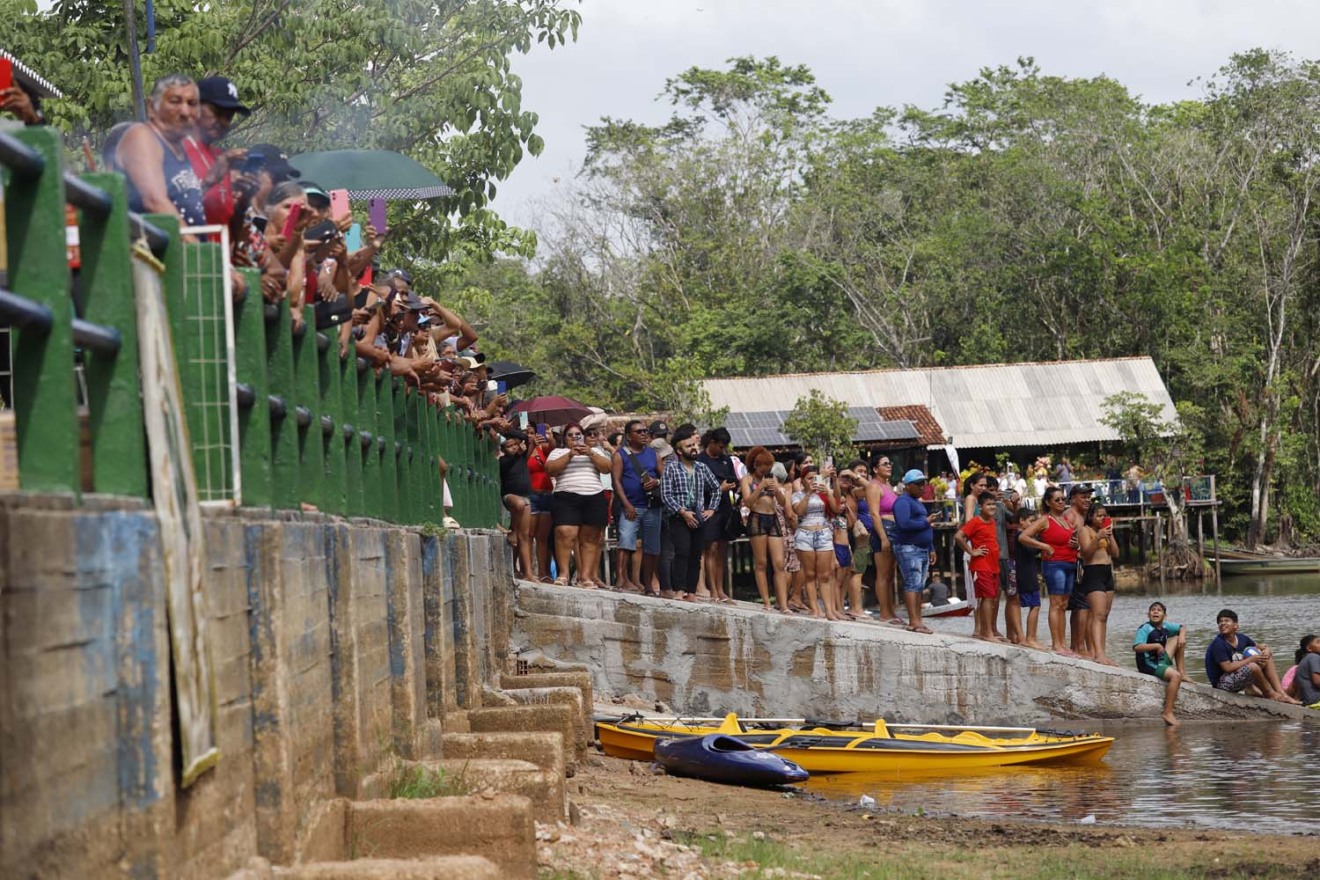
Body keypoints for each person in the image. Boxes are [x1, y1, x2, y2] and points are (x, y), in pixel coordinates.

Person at [117, 73, 206, 227]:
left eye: (192, 103)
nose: (185, 112)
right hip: (151, 249)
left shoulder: (184, 147)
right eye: (175, 101)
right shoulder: (142, 136)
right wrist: (196, 247)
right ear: (151, 107)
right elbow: (155, 201)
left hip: (188, 248)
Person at [544, 423, 611, 588]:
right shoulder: (558, 452)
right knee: (565, 532)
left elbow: (607, 468)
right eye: (570, 435)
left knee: (590, 538)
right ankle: (563, 574)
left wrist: (590, 453)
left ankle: (585, 576)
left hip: (593, 495)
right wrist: (569, 455)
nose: (575, 438)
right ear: (565, 438)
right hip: (567, 495)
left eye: (578, 435)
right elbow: (550, 470)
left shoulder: (595, 451)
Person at [660, 424, 720, 602]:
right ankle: (679, 590)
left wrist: (712, 509)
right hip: (679, 516)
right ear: (679, 451)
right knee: (682, 552)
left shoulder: (701, 468)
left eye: (695, 446)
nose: (694, 449)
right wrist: (683, 512)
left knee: (695, 555)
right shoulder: (671, 468)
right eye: (689, 446)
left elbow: (716, 488)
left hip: (699, 515)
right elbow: (666, 494)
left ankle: (692, 591)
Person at [1018, 486, 1079, 657]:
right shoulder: (1045, 519)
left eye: (1063, 499)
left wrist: (1076, 545)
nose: (1061, 502)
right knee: (1056, 603)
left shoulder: (1066, 520)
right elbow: (1024, 536)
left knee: (1064, 605)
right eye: (1057, 500)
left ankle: (1063, 643)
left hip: (1070, 563)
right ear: (1048, 502)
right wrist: (1044, 546)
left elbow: (1069, 540)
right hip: (1054, 564)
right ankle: (1056, 644)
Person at [611, 420, 664, 595]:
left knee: (652, 547)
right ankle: (621, 580)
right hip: (632, 505)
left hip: (652, 507)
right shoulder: (620, 455)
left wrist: (656, 481)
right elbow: (616, 482)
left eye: (646, 431)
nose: (644, 434)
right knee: (626, 542)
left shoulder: (653, 454)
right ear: (628, 436)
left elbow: (665, 476)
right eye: (639, 431)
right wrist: (626, 504)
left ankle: (648, 584)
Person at [1204, 609, 1300, 704]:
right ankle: (1270, 694)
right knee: (1252, 666)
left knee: (1265, 657)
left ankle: (1282, 694)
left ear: (1236, 626)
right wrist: (1250, 659)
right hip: (1222, 684)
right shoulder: (1218, 644)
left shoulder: (1241, 638)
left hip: (1237, 677)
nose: (1222, 624)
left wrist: (1266, 650)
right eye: (1220, 622)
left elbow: (1259, 647)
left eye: (1226, 621)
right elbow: (1228, 668)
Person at [739, 446, 789, 612]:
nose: (765, 469)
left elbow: (782, 503)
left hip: (773, 517)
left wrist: (777, 491)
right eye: (762, 465)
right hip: (757, 518)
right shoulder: (747, 479)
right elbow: (748, 502)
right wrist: (760, 487)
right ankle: (766, 602)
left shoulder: (772, 478)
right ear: (755, 464)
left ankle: (783, 604)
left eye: (768, 465)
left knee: (779, 563)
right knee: (761, 562)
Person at [892, 469, 939, 634]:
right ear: (908, 485)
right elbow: (903, 524)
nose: (922, 487)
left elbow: (924, 526)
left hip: (922, 548)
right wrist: (925, 522)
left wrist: (931, 547)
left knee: (919, 585)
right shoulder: (902, 501)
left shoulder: (917, 502)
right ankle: (913, 621)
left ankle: (918, 620)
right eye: (919, 484)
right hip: (908, 547)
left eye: (924, 483)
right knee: (912, 582)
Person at [792, 463, 841, 620]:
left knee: (825, 575)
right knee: (810, 574)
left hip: (823, 533)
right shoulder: (797, 495)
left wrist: (829, 491)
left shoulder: (823, 493)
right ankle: (815, 609)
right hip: (805, 534)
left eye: (815, 478)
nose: (812, 481)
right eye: (809, 478)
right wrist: (808, 494)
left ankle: (829, 610)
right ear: (803, 480)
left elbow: (836, 508)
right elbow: (799, 511)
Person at [955, 492, 1004, 643]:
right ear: (980, 506)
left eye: (993, 504)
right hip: (981, 566)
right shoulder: (975, 521)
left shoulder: (992, 521)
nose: (991, 507)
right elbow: (958, 536)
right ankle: (987, 633)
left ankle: (986, 630)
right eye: (988, 504)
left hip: (993, 566)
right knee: (987, 598)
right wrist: (971, 551)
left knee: (991, 599)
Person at [698, 427, 738, 604]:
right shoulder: (700, 460)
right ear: (712, 442)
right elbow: (698, 486)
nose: (722, 450)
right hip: (708, 508)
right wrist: (717, 489)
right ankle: (712, 588)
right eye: (720, 446)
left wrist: (731, 485)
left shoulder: (726, 460)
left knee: (722, 550)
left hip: (725, 508)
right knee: (711, 549)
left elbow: (733, 478)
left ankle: (721, 589)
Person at [1076, 502, 1118, 666]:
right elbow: (1085, 553)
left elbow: (1115, 553)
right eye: (1099, 515)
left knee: (1105, 615)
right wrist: (1098, 537)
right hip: (1093, 572)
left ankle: (1102, 652)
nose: (1102, 518)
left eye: (1104, 515)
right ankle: (1096, 653)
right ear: (1091, 516)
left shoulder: (1106, 532)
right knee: (1097, 614)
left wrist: (1110, 535)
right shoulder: (1085, 531)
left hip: (1107, 572)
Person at [1133, 602, 1188, 726]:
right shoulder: (1145, 628)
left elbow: (1182, 627)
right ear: (1148, 614)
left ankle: (1182, 672)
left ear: (1165, 615)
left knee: (1177, 639)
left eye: (1159, 610)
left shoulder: (1165, 626)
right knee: (1175, 677)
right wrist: (1156, 645)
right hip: (1149, 664)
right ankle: (1167, 712)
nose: (1156, 612)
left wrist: (1182, 636)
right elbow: (1136, 647)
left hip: (1160, 659)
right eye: (1153, 610)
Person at [865, 456, 903, 625]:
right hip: (883, 530)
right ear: (875, 468)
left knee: (889, 574)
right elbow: (874, 513)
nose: (889, 466)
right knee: (882, 574)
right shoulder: (874, 486)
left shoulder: (888, 485)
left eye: (890, 463)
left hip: (894, 529)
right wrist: (883, 538)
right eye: (885, 464)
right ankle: (884, 613)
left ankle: (890, 610)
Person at [498, 429, 534, 579]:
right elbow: (511, 460)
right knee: (519, 505)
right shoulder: (504, 461)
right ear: (503, 450)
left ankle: (528, 573)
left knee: (524, 536)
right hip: (510, 496)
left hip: (526, 498)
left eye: (515, 444)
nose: (513, 447)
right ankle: (512, 529)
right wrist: (518, 451)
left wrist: (509, 429)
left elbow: (526, 437)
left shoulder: (521, 457)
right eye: (509, 446)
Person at [1012, 508, 1045, 650]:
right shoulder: (1021, 536)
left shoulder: (1024, 537)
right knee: (1035, 605)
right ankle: (1030, 637)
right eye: (1031, 522)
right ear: (1022, 521)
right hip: (1024, 573)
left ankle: (1028, 636)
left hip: (1028, 572)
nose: (1033, 525)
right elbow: (1032, 550)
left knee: (1033, 604)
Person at [1288, 634, 1320, 708]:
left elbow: (1294, 685)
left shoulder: (1303, 661)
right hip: (1316, 699)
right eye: (1318, 642)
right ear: (1309, 648)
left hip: (1307, 700)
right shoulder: (1314, 657)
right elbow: (1317, 681)